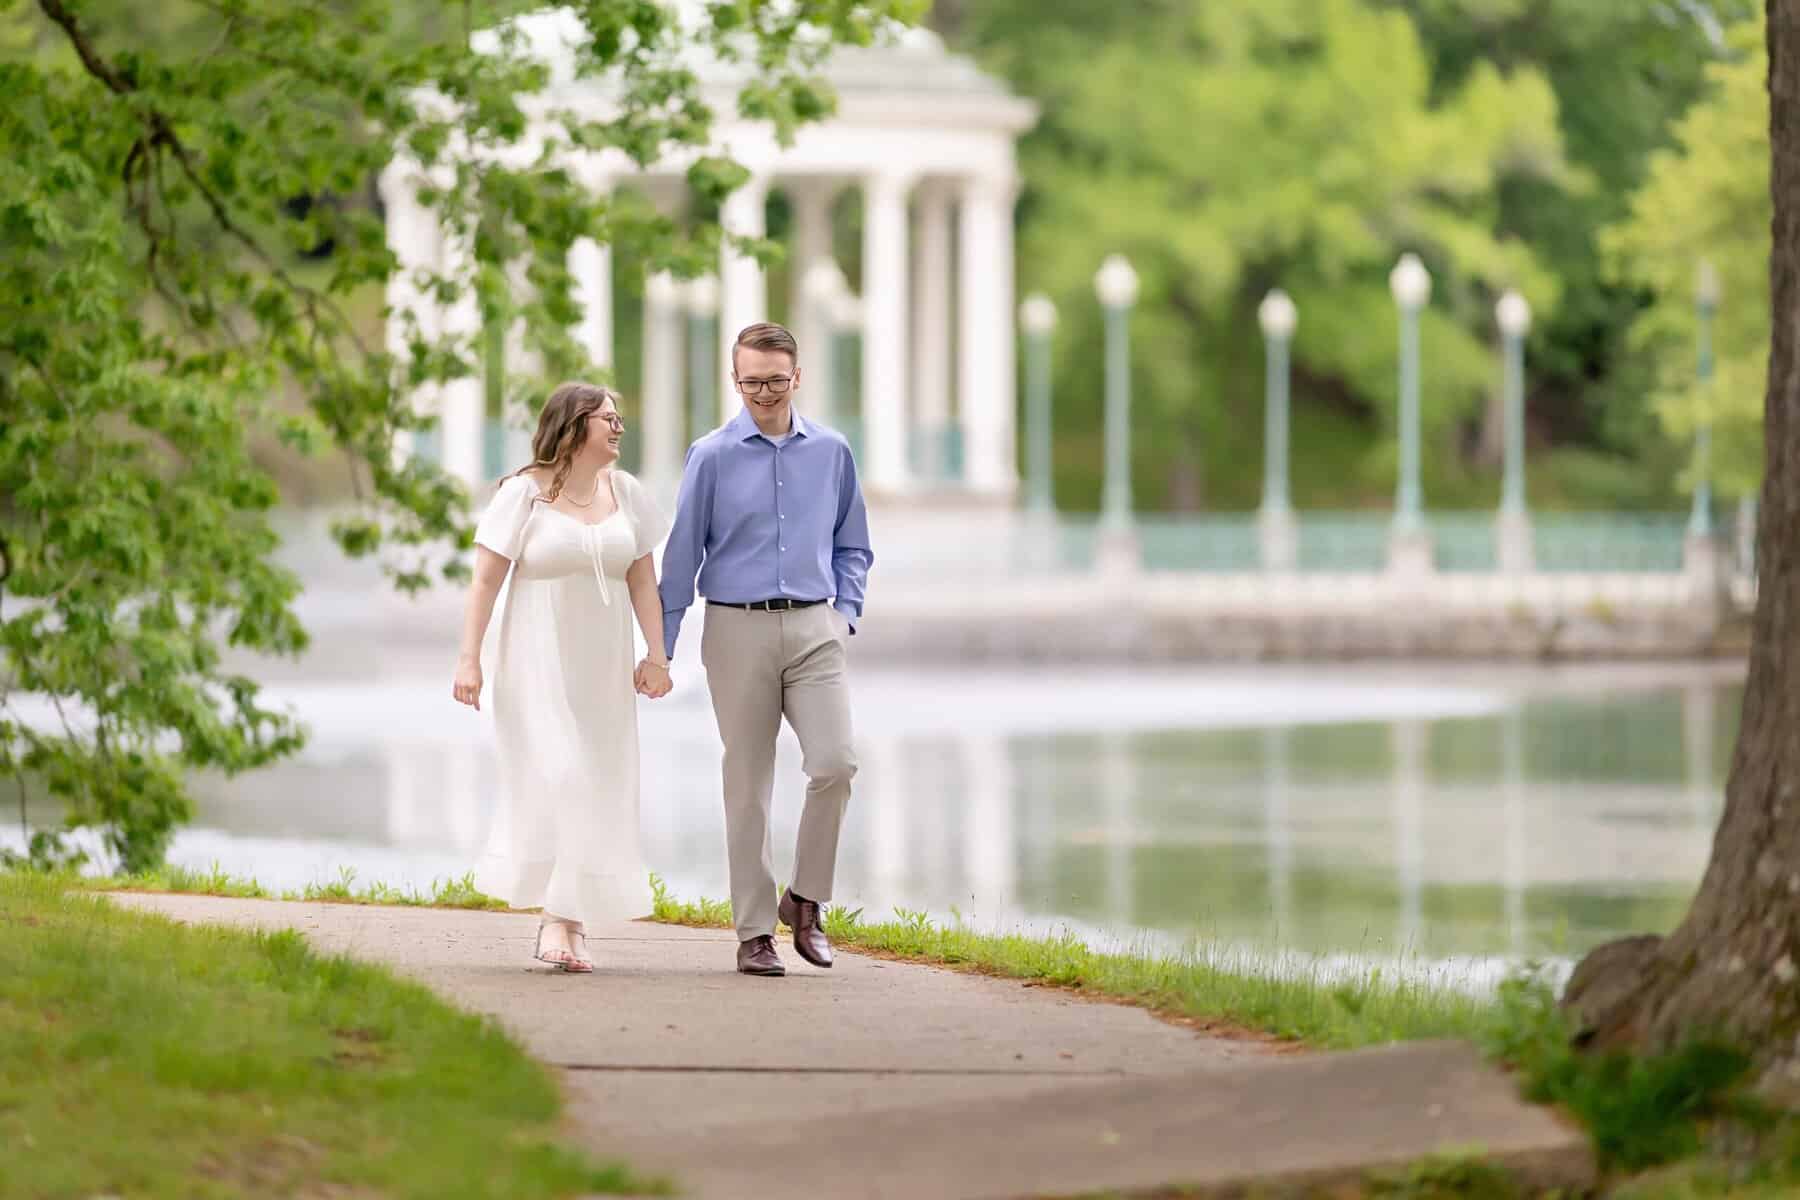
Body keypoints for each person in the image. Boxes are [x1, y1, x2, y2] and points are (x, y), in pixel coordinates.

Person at [659, 321, 873, 977]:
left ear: (797, 377)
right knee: (748, 784)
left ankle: (805, 899)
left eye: (776, 381)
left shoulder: (832, 451)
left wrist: (844, 614)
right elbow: (681, 557)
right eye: (751, 383)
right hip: (736, 630)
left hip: (814, 630)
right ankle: (755, 932)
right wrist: (661, 649)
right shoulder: (711, 456)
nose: (764, 394)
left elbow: (853, 545)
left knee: (835, 765)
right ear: (735, 380)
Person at [451, 382, 673, 973]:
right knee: (564, 775)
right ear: (573, 427)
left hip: (601, 666)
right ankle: (557, 919)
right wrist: (469, 659)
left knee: (597, 781)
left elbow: (643, 581)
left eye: (619, 418)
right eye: (608, 419)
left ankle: (570, 922)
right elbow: (484, 582)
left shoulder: (626, 492)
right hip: (535, 660)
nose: (619, 428)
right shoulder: (523, 495)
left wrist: (657, 656)